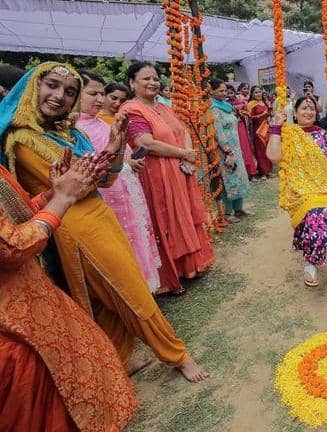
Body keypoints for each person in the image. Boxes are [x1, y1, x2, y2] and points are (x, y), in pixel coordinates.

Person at [1, 61, 209, 382]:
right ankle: (178, 355)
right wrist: (100, 164)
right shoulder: (22, 139)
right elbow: (77, 185)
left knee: (107, 296)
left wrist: (115, 148)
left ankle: (120, 358)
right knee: (131, 292)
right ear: (33, 87)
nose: (60, 96)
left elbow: (105, 180)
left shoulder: (67, 133)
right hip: (75, 226)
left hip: (99, 216)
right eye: (52, 86)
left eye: (69, 92)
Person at [0, 149, 138, 431]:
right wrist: (63, 199)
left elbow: (17, 217)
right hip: (15, 331)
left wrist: (52, 195)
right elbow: (12, 246)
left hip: (33, 300)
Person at [121, 62, 215, 294]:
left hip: (180, 170)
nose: (153, 82)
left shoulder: (164, 107)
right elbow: (145, 144)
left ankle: (191, 267)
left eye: (155, 78)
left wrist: (189, 157)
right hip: (157, 175)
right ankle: (171, 276)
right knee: (166, 220)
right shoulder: (131, 110)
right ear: (132, 83)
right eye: (146, 78)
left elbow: (183, 131)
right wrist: (183, 154)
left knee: (184, 215)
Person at [75, 70, 162, 292]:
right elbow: (93, 164)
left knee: (137, 238)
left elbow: (118, 153)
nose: (99, 99)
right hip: (108, 197)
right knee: (121, 245)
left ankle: (144, 288)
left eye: (101, 94)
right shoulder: (76, 130)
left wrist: (130, 161)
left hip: (126, 191)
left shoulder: (102, 123)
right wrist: (125, 164)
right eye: (93, 94)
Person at [267, 96, 327, 287]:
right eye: (304, 108)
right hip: (302, 187)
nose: (308, 112)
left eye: (312, 109)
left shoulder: (324, 134)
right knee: (316, 211)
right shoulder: (289, 133)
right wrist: (276, 126)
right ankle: (311, 263)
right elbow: (274, 156)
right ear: (295, 112)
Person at [209, 79, 252, 223]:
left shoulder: (227, 106)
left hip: (236, 148)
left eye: (225, 91)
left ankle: (239, 209)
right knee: (228, 180)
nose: (224, 93)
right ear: (211, 91)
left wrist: (236, 150)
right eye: (220, 91)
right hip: (224, 151)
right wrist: (228, 151)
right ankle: (227, 213)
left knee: (239, 178)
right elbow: (218, 132)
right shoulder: (213, 109)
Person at [248, 85, 274, 179]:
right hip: (258, 130)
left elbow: (268, 115)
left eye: (259, 92)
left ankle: (268, 170)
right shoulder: (251, 104)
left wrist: (270, 114)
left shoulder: (264, 102)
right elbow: (249, 118)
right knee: (260, 150)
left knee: (268, 149)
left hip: (267, 128)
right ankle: (263, 172)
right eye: (256, 92)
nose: (258, 94)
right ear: (252, 94)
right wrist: (262, 115)